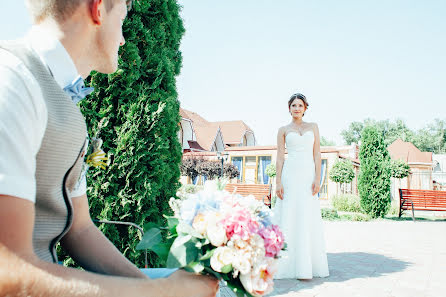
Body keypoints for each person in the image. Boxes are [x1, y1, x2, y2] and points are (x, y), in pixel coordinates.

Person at [0, 0, 218, 296]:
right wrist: (163, 293)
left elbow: (80, 229)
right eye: (123, 17)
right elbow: (8, 273)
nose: (124, 38)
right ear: (99, 8)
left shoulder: (65, 99)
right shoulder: (11, 81)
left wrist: (155, 287)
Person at [273, 93, 329, 279]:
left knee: (307, 215)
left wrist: (318, 178)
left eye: (300, 105)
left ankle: (306, 265)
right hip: (290, 175)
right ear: (289, 108)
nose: (296, 108)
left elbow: (317, 154)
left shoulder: (313, 127)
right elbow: (280, 157)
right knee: (288, 214)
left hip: (307, 175)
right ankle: (285, 265)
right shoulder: (283, 130)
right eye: (293, 105)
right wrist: (278, 181)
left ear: (305, 108)